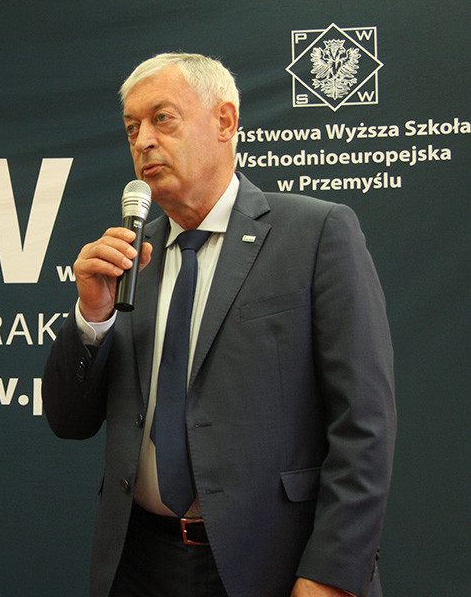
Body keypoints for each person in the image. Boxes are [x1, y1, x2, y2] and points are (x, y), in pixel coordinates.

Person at [42, 53, 396, 597]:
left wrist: (331, 575)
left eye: (162, 119)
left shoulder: (316, 232)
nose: (143, 141)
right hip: (138, 563)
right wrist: (93, 317)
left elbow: (363, 423)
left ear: (225, 121)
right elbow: (69, 421)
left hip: (272, 563)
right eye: (132, 128)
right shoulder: (131, 259)